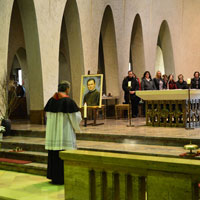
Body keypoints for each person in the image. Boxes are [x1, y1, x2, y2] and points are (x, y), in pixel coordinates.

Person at [44, 81, 82, 184]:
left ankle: (54, 177)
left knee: (54, 154)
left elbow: (47, 116)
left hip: (53, 134)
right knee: (64, 153)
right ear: (67, 89)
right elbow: (75, 117)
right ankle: (63, 177)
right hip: (64, 133)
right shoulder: (68, 101)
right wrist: (77, 126)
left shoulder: (51, 100)